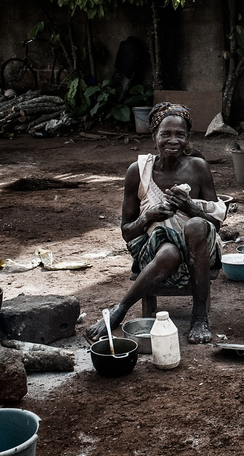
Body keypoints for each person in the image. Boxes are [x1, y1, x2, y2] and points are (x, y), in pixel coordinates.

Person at [85, 103, 226, 344]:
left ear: (188, 138)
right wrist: (149, 217)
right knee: (170, 251)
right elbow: (127, 233)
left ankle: (199, 315)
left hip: (199, 250)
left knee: (195, 225)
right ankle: (120, 309)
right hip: (155, 253)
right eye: (166, 134)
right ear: (154, 137)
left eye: (180, 135)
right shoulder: (137, 173)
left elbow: (216, 224)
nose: (173, 141)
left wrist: (190, 208)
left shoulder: (199, 168)